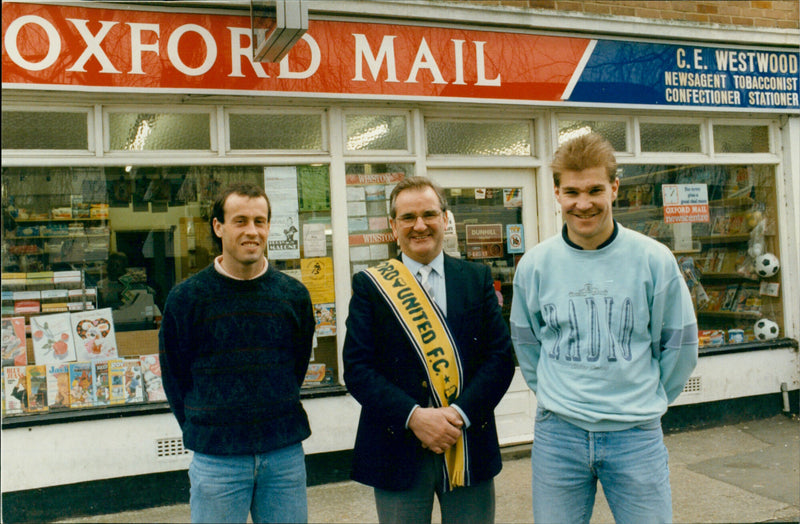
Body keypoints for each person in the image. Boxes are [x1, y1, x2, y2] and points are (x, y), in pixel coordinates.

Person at [510, 132, 698, 524]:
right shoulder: (535, 265)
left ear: (614, 188)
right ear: (557, 193)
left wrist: (644, 400)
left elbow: (680, 343)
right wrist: (553, 394)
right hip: (558, 434)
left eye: (595, 189)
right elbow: (526, 341)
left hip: (635, 435)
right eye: (572, 192)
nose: (584, 203)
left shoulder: (654, 260)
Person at [343, 176, 515, 524]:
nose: (419, 225)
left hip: (468, 442)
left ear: (445, 218)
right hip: (397, 448)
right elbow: (358, 370)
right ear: (393, 226)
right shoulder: (369, 287)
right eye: (408, 217)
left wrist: (458, 415)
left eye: (429, 214)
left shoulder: (476, 278)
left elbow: (500, 359)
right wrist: (415, 417)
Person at [159, 182, 315, 524]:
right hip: (217, 460)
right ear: (218, 227)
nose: (252, 231)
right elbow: (174, 375)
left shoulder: (293, 296)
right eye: (240, 220)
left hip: (283, 455)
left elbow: (296, 367)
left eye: (260, 221)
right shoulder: (187, 299)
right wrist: (205, 425)